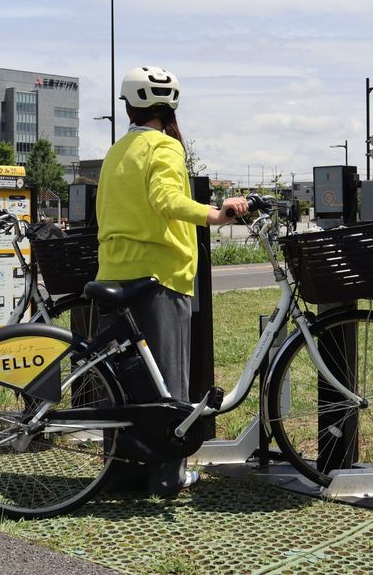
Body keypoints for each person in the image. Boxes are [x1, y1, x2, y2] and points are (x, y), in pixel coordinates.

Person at [95, 65, 249, 496]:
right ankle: (166, 476)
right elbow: (166, 199)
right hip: (158, 275)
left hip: (114, 271)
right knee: (166, 382)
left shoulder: (116, 151)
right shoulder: (164, 147)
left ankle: (121, 472)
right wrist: (215, 214)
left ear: (127, 106)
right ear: (171, 108)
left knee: (123, 379)